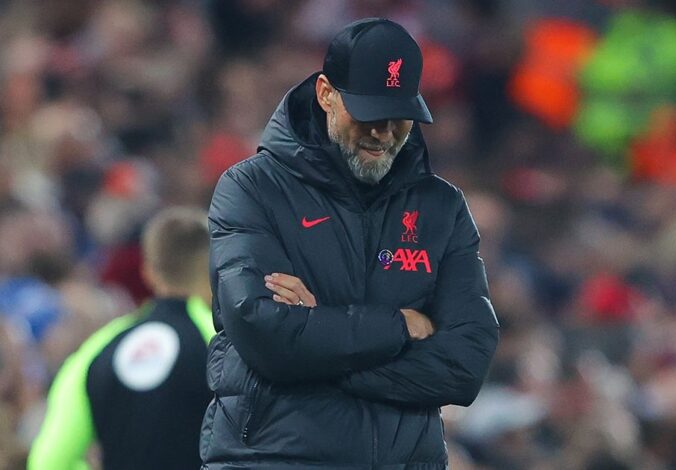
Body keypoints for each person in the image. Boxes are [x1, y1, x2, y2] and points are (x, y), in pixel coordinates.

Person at [200, 18, 500, 468]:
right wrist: (400, 327)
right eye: (369, 112)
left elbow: (465, 366)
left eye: (399, 115)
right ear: (325, 94)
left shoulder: (442, 207)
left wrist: (318, 347)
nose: (384, 132)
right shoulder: (251, 189)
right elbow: (265, 334)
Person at [28, 206, 216, 470]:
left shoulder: (97, 349)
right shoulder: (224, 342)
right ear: (215, 269)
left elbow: (48, 462)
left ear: (149, 272)